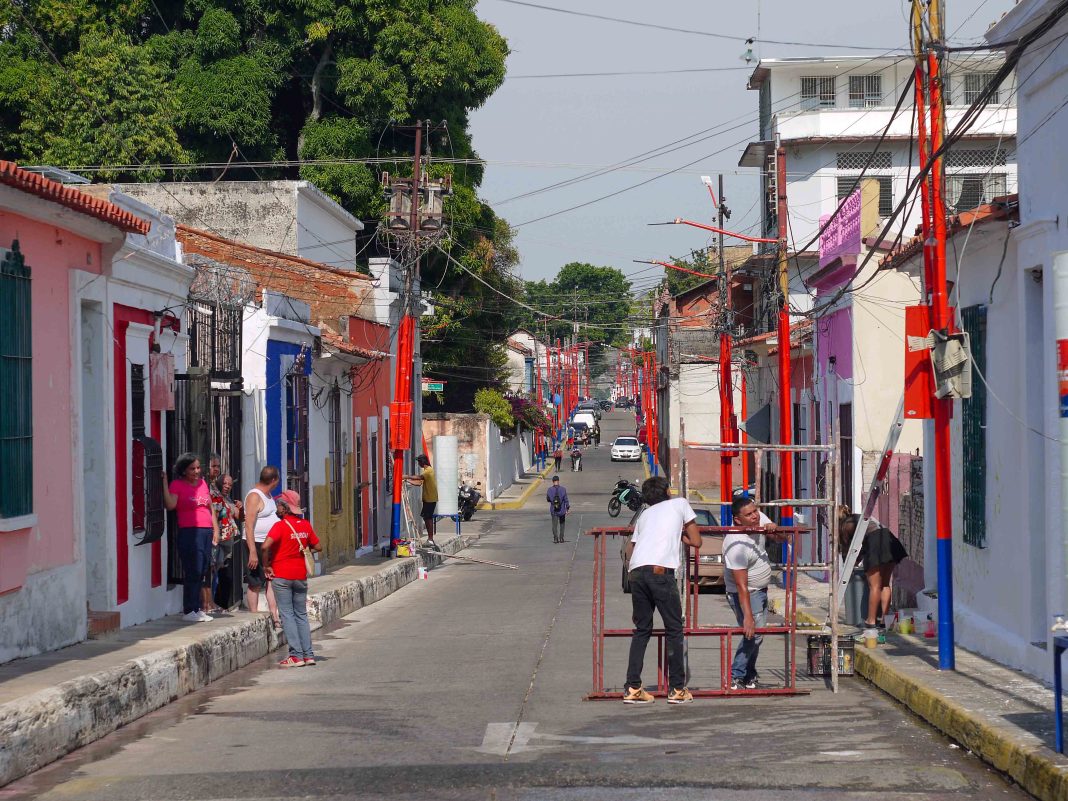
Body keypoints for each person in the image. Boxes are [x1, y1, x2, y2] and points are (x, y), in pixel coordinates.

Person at [623, 476, 702, 705]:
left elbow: (632, 547)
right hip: (660, 571)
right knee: (674, 629)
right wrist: (681, 537)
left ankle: (633, 687)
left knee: (641, 629)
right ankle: (677, 688)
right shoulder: (680, 504)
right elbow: (696, 540)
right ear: (667, 490)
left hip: (637, 571)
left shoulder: (645, 515)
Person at [723, 495, 787, 690]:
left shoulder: (759, 518)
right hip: (744, 593)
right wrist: (748, 617)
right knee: (753, 633)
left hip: (760, 590)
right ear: (737, 519)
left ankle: (749, 674)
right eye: (748, 514)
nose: (754, 516)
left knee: (756, 635)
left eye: (755, 511)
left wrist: (774, 528)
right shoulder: (736, 545)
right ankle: (736, 675)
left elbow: (784, 538)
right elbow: (741, 585)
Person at [262, 489, 322, 667]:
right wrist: (303, 551)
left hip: (282, 576)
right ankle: (308, 655)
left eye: (280, 505)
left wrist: (266, 565)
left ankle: (295, 656)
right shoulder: (305, 525)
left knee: (287, 615)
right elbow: (318, 546)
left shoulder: (280, 526)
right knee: (301, 615)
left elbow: (265, 546)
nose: (277, 507)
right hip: (300, 576)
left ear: (285, 507)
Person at [162, 453, 220, 623]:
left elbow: (210, 507)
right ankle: (189, 609)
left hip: (206, 531)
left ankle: (197, 608)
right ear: (184, 470)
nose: (196, 471)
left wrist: (215, 529)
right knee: (193, 570)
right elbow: (171, 504)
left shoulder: (202, 483)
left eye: (198, 468)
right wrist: (165, 484)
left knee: (203, 569)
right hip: (189, 531)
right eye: (192, 468)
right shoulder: (177, 485)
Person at [838, 506, 908, 629]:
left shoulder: (845, 525)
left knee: (874, 586)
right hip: (889, 540)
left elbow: (847, 551)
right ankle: (885, 621)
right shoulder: (859, 518)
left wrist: (849, 564)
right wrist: (859, 558)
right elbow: (863, 542)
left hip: (876, 544)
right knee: (885, 584)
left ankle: (870, 621)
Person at [244, 466, 281, 627]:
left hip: (268, 544)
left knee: (270, 579)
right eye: (277, 480)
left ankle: (275, 616)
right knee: (255, 582)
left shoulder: (268, 495)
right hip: (257, 544)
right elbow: (249, 526)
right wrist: (252, 551)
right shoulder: (254, 496)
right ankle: (253, 617)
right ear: (273, 480)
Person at [211, 474, 243, 610]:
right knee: (213, 570)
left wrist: (240, 508)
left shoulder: (228, 498)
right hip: (217, 539)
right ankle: (211, 602)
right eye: (225, 483)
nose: (227, 486)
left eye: (230, 485)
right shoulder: (214, 495)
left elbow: (239, 517)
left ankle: (219, 603)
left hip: (227, 541)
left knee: (224, 575)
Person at [404, 454, 438, 546]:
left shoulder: (428, 471)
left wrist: (406, 476)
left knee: (428, 518)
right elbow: (419, 483)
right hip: (429, 498)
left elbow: (419, 478)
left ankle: (430, 539)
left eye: (418, 462)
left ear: (422, 462)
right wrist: (407, 481)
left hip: (430, 498)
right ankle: (430, 539)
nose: (418, 464)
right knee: (426, 517)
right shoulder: (427, 471)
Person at [545, 475, 570, 543]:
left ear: (553, 482)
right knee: (562, 524)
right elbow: (566, 500)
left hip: (554, 510)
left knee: (554, 525)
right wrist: (567, 508)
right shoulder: (563, 489)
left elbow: (548, 499)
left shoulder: (550, 490)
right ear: (558, 481)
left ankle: (555, 538)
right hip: (562, 510)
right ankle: (561, 538)